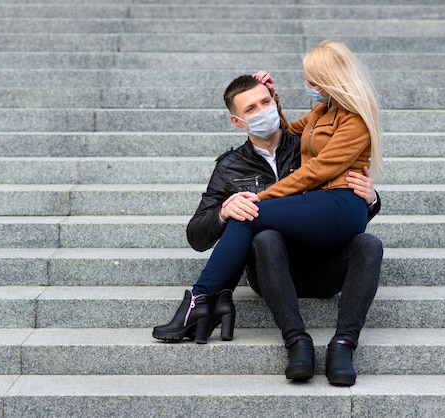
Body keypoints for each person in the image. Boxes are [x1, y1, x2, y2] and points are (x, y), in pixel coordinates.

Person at [153, 41, 383, 386]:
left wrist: (372, 198)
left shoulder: (353, 121)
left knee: (368, 243)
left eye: (266, 103)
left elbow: (316, 171)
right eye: (253, 107)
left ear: (328, 80)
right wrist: (225, 211)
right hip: (273, 262)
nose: (264, 111)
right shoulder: (233, 165)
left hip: (330, 236)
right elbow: (196, 232)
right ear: (237, 121)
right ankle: (296, 341)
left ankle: (342, 343)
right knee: (259, 228)